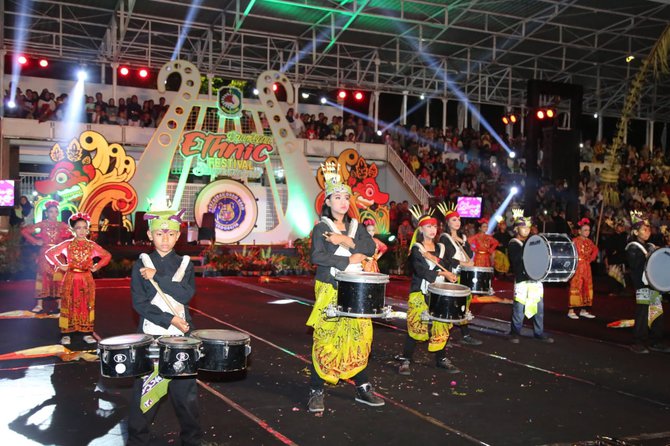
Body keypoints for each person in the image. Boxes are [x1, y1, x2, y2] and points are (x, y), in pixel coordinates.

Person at [306, 162, 383, 414]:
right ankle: (316, 390)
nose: (342, 201)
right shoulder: (320, 228)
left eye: (345, 197)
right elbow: (317, 257)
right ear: (327, 201)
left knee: (358, 339)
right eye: (336, 197)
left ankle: (362, 387)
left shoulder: (356, 227)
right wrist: (349, 257)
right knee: (326, 340)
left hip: (356, 289)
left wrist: (345, 241)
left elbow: (370, 249)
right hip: (330, 288)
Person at [127, 207, 202, 445]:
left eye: (170, 234)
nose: (165, 239)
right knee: (145, 395)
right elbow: (140, 304)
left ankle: (191, 441)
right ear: (150, 236)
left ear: (178, 236)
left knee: (186, 396)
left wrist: (157, 277)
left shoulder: (185, 264)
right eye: (159, 234)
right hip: (152, 336)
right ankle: (137, 441)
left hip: (181, 339)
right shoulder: (141, 264)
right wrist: (170, 320)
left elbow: (186, 294)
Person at [398, 206, 460, 376]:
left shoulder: (441, 248)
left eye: (434, 227)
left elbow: (449, 264)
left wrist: (451, 273)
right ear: (421, 229)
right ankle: (406, 360)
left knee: (441, 325)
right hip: (420, 292)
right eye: (428, 227)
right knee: (415, 326)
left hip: (438, 292)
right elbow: (421, 271)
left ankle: (441, 359)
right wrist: (441, 272)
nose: (432, 230)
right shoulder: (417, 249)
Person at [44, 213, 111, 345]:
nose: (82, 231)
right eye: (78, 228)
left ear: (88, 230)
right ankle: (66, 333)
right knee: (68, 304)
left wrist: (97, 266)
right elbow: (49, 253)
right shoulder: (67, 244)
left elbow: (107, 255)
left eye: (85, 228)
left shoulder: (91, 245)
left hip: (86, 279)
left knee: (86, 304)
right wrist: (60, 265)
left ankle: (86, 332)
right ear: (73, 230)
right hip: (71, 278)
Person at [436, 202, 482, 346]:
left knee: (463, 305)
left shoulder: (462, 237)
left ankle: (465, 334)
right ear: (448, 223)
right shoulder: (444, 237)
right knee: (450, 304)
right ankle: (445, 336)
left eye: (458, 219)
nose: (457, 222)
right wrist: (464, 264)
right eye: (454, 220)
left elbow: (468, 254)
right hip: (452, 275)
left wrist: (464, 243)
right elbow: (448, 259)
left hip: (463, 274)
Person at [625, 211, 669, 354]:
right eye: (644, 229)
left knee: (657, 313)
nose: (647, 231)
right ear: (636, 232)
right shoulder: (633, 247)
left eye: (649, 228)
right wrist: (649, 256)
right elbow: (636, 266)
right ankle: (638, 342)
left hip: (652, 286)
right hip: (642, 286)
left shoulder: (649, 245)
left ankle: (656, 341)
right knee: (643, 313)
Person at [507, 208, 554, 344]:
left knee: (539, 307)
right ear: (517, 229)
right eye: (523, 227)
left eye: (528, 227)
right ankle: (515, 332)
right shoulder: (513, 243)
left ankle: (538, 332)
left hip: (535, 279)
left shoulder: (532, 242)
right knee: (519, 308)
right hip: (522, 280)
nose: (527, 230)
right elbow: (517, 261)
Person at [21, 200, 72, 313]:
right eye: (51, 212)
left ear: (58, 213)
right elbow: (24, 231)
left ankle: (59, 304)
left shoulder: (62, 225)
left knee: (58, 277)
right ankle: (39, 305)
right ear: (46, 213)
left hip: (58, 254)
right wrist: (35, 241)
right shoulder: (42, 224)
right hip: (44, 253)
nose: (53, 214)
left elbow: (74, 233)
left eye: (55, 212)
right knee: (42, 277)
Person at [567, 218, 598, 319]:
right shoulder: (575, 241)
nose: (587, 232)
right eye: (585, 230)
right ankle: (571, 310)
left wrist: (591, 258)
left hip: (587, 268)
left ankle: (583, 310)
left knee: (586, 287)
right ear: (579, 231)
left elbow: (595, 251)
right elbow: (570, 253)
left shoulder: (589, 242)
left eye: (588, 230)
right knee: (576, 286)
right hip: (577, 267)